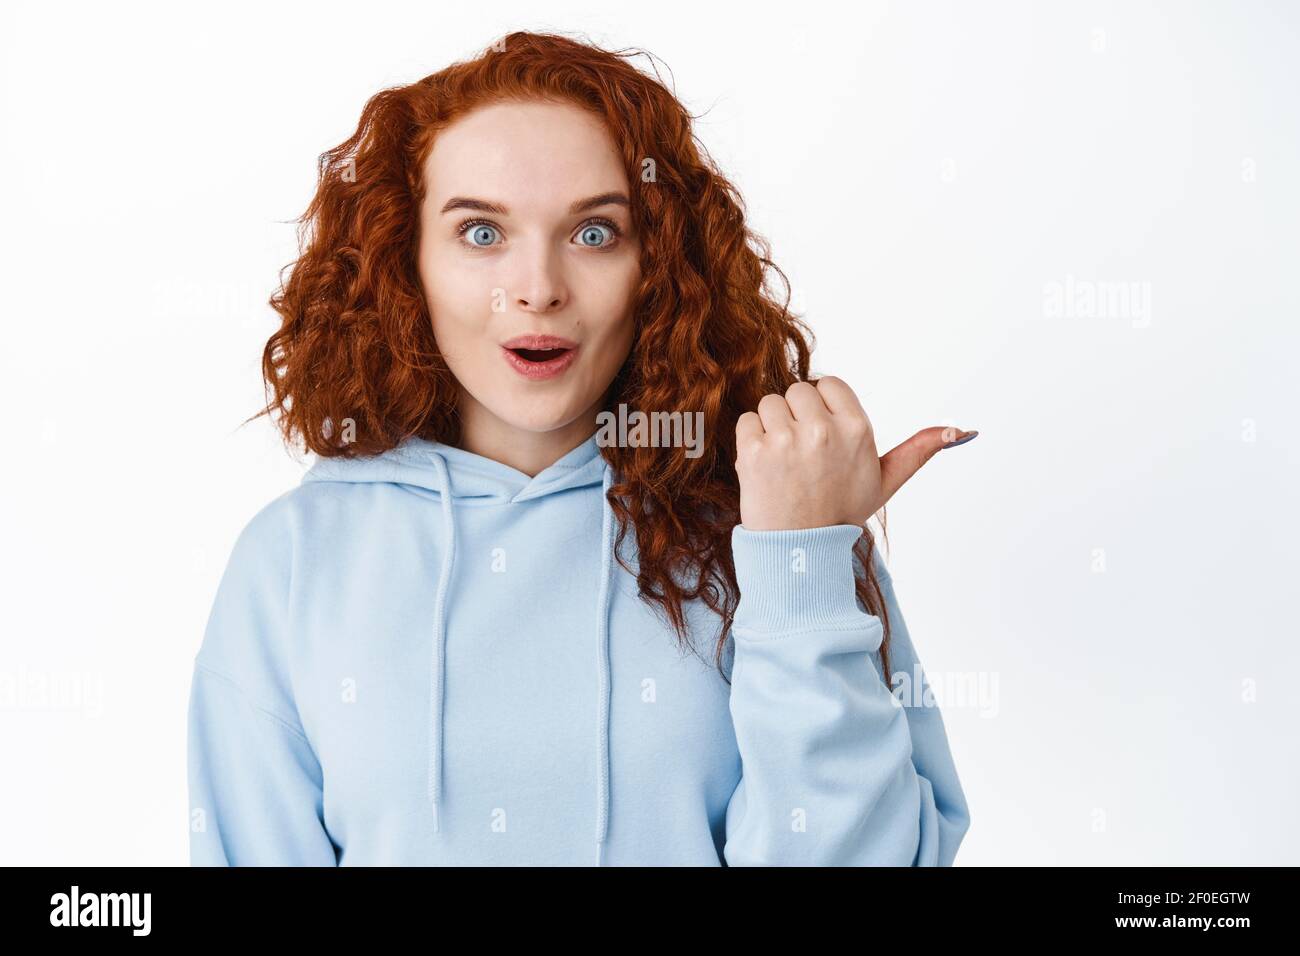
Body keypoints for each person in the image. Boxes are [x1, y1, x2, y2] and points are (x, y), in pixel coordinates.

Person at [186, 30, 977, 866]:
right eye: (481, 234)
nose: (538, 287)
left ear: (661, 265)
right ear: (404, 260)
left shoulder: (775, 527)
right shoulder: (291, 563)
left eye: (595, 233)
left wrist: (806, 568)